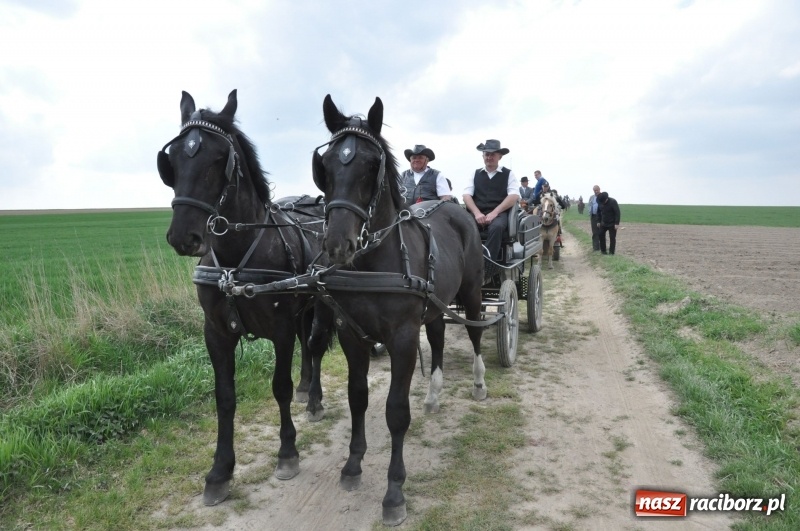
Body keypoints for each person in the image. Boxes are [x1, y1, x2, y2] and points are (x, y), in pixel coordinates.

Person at [462, 139, 520, 261]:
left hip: (499, 214)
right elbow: (466, 195)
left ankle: (488, 262)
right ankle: (466, 260)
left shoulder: (508, 174)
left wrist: (495, 212)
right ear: (483, 156)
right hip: (477, 212)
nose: (489, 157)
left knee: (497, 227)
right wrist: (477, 213)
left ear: (500, 156)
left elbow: (513, 196)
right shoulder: (475, 173)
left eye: (492, 154)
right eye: (486, 154)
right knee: (463, 225)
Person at [588, 185, 602, 251]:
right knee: (595, 232)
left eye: (597, 190)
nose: (596, 191)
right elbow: (589, 205)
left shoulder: (602, 196)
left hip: (601, 217)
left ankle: (602, 247)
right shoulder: (591, 197)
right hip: (593, 216)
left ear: (599, 189)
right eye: (594, 190)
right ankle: (595, 248)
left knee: (601, 232)